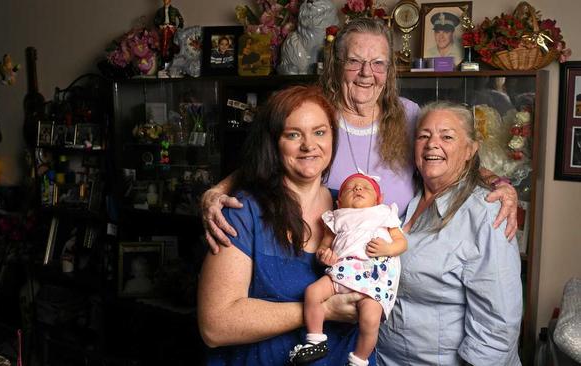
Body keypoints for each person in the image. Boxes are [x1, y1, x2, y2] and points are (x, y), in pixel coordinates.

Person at [201, 17, 517, 253]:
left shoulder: (409, 115)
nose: (367, 73)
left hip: (388, 277)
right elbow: (267, 160)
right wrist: (217, 190)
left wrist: (501, 185)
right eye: (355, 61)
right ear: (337, 66)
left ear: (389, 70)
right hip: (314, 264)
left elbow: (453, 160)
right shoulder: (315, 114)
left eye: (378, 63)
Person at [197, 85, 371, 365]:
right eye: (293, 134)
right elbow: (215, 325)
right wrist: (322, 310)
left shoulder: (351, 209)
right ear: (274, 143)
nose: (309, 146)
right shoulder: (242, 212)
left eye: (320, 132)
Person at [376, 101, 523, 365]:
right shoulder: (406, 197)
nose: (433, 144)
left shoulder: (486, 213)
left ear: (470, 150)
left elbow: (497, 329)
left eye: (447, 136)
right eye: (424, 135)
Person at [289, 173, 406, 365]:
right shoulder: (336, 218)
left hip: (373, 277)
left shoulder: (383, 213)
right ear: (339, 202)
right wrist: (323, 256)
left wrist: (388, 248)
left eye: (365, 188)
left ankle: (359, 359)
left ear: (379, 199)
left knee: (370, 318)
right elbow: (324, 246)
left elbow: (402, 243)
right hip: (343, 271)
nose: (358, 189)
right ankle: (316, 341)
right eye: (350, 188)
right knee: (312, 292)